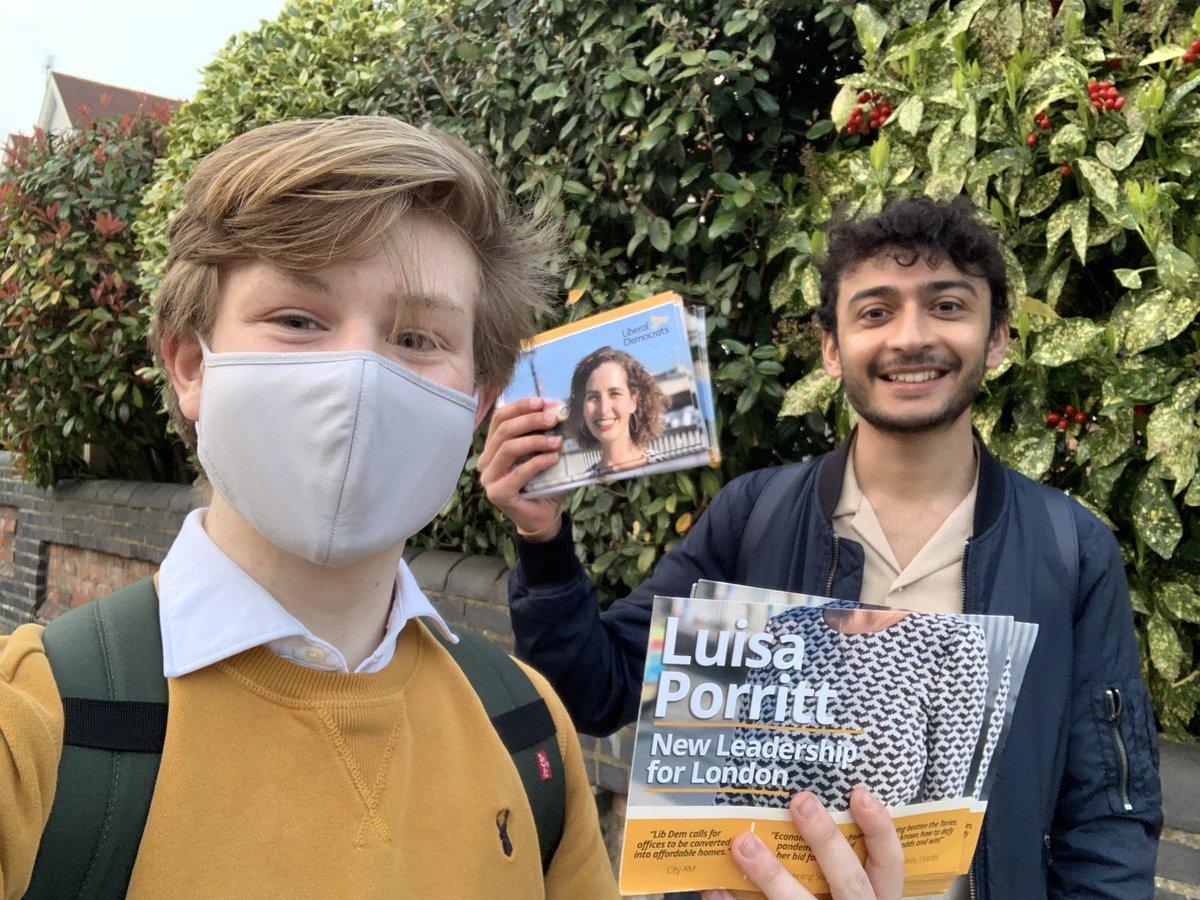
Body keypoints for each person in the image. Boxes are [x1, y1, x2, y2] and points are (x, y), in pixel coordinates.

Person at [0, 116, 620, 898]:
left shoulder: (529, 731)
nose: (357, 373)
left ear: (478, 402)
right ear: (190, 365)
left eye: (418, 338)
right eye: (297, 320)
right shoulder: (37, 722)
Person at [480, 196, 1163, 899]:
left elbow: (1107, 816)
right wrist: (542, 540)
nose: (910, 337)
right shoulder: (753, 517)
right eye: (875, 311)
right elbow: (593, 693)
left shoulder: (1069, 550)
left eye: (947, 306)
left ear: (997, 339)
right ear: (832, 349)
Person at [718, 604, 990, 811]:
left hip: (868, 867)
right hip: (755, 859)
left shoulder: (952, 641)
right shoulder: (786, 627)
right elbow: (735, 781)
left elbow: (941, 810)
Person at [564, 345, 669, 474]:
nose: (603, 409)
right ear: (582, 408)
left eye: (614, 394)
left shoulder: (664, 467)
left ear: (633, 402)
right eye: (593, 397)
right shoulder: (585, 483)